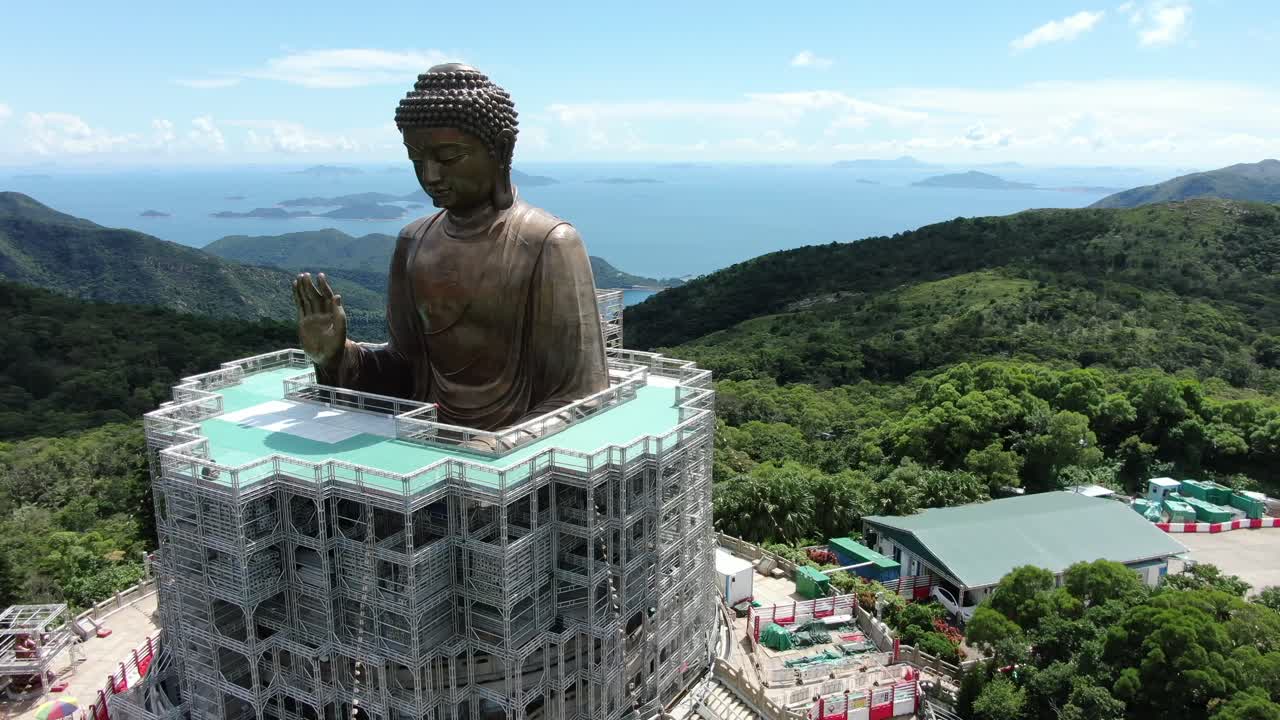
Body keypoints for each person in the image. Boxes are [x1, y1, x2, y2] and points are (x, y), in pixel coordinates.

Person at [293, 64, 608, 440]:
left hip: (506, 461)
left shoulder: (548, 244)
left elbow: (583, 395)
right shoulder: (413, 242)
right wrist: (336, 355)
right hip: (422, 446)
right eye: (416, 161)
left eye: (448, 158)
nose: (430, 176)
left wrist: (499, 445)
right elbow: (405, 371)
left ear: (501, 149)